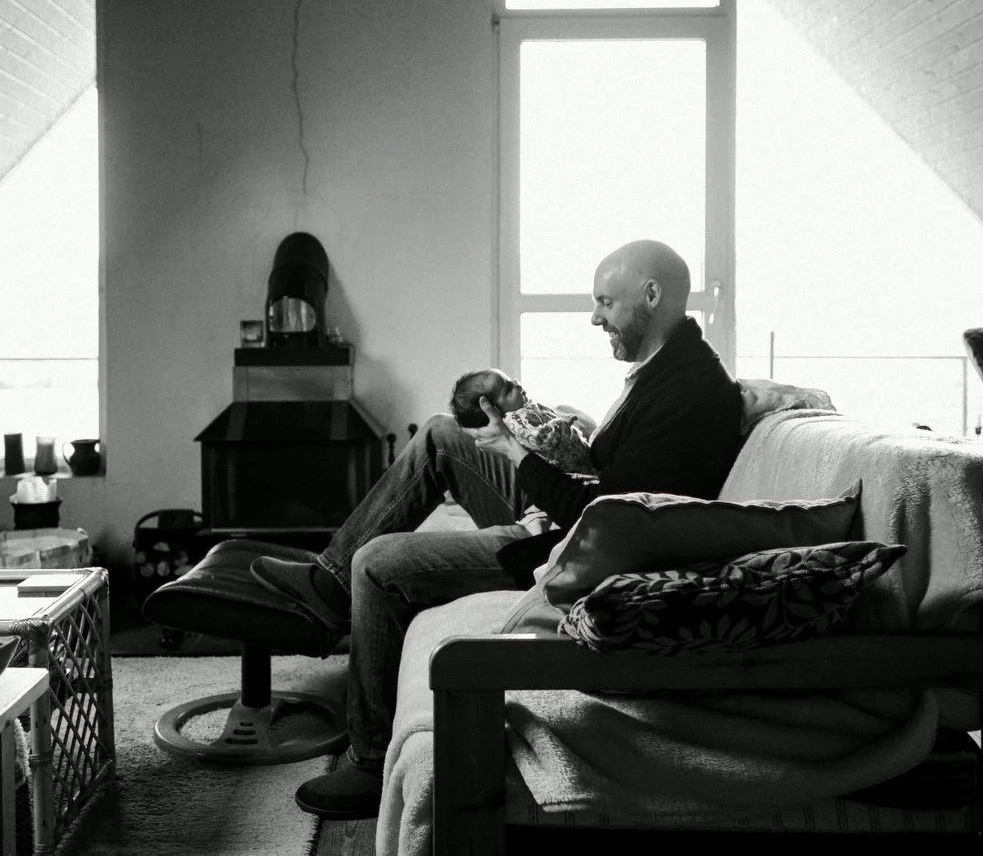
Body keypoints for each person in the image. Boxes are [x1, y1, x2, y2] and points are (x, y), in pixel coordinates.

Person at [250, 239, 743, 819]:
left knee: (378, 566)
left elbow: (610, 516)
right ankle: (329, 583)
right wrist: (558, 439)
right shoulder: (666, 371)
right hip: (567, 519)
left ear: (651, 296)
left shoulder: (691, 390)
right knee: (441, 433)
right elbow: (618, 476)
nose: (595, 317)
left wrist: (517, 452)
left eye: (605, 303)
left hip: (572, 549)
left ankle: (369, 759)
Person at [447, 367, 597, 475]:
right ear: (493, 411)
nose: (516, 383)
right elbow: (540, 439)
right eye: (508, 389)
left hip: (580, 457)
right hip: (571, 469)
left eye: (510, 379)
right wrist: (561, 422)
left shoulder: (524, 409)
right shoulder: (515, 422)